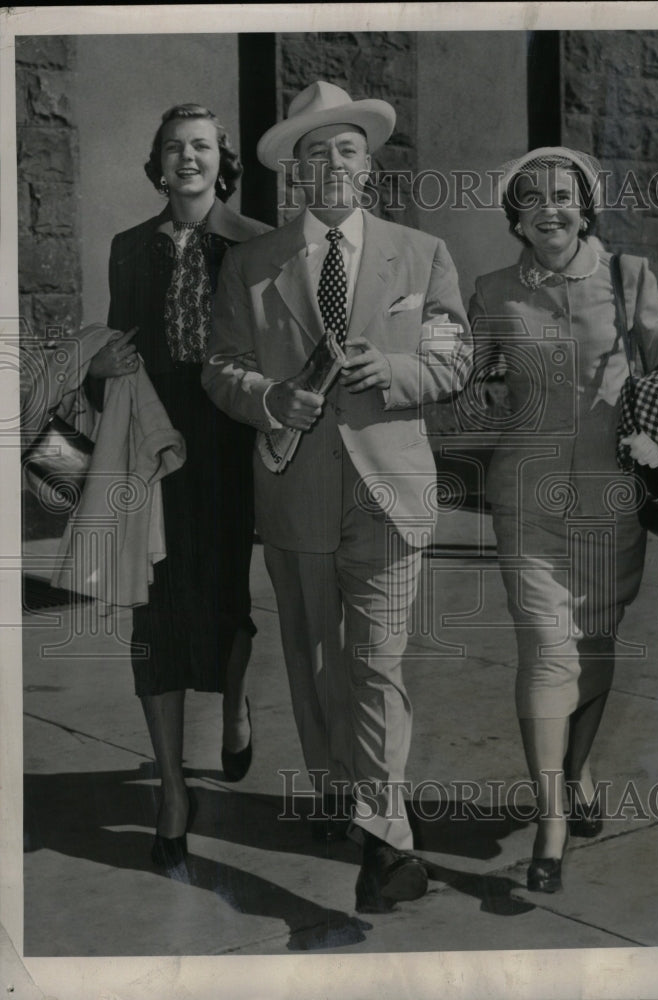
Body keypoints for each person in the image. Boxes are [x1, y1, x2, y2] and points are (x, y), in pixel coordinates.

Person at [203, 81, 471, 912]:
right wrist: (269, 398)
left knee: (378, 664)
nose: (330, 166)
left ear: (369, 167)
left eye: (345, 150)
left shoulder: (421, 256)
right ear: (293, 173)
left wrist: (393, 372)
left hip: (389, 489)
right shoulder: (251, 265)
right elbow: (218, 368)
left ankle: (386, 844)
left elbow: (454, 361)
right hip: (294, 491)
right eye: (312, 154)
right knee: (317, 664)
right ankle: (336, 791)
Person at [468, 147, 658, 892]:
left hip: (614, 501)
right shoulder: (493, 291)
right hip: (525, 502)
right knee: (544, 649)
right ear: (516, 218)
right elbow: (466, 385)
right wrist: (480, 393)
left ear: (585, 206)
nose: (550, 208)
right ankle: (552, 818)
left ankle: (576, 765)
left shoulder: (629, 279)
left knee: (593, 643)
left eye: (564, 195)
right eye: (533, 198)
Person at [92, 104, 271, 870]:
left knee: (226, 602)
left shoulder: (259, 244)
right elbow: (115, 350)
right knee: (153, 615)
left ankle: (233, 708)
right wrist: (100, 373)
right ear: (158, 164)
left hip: (230, 446)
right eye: (174, 148)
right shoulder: (129, 248)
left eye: (201, 146)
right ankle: (171, 789)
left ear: (220, 159)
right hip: (153, 450)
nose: (187, 158)